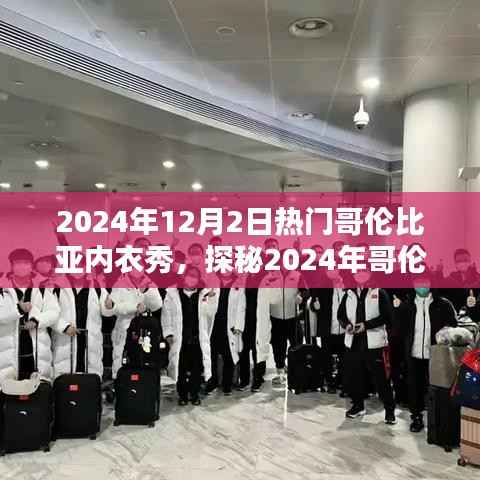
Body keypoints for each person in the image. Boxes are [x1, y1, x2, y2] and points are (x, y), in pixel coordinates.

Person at [397, 273, 457, 432]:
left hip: (436, 355)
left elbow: (453, 326)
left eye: (425, 281)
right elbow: (400, 330)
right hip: (414, 353)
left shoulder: (442, 304)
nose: (422, 285)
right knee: (414, 387)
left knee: (436, 388)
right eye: (418, 281)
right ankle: (416, 417)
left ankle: (437, 419)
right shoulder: (407, 305)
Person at [338, 270, 397, 425]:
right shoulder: (348, 293)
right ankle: (358, 406)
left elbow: (387, 316)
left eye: (363, 271)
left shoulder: (379, 292)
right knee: (355, 376)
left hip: (374, 343)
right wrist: (347, 325)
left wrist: (366, 325)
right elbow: (341, 315)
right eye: (357, 272)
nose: (360, 275)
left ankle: (390, 410)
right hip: (354, 342)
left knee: (381, 379)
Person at [161, 266, 216, 406]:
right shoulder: (173, 294)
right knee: (181, 368)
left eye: (194, 276)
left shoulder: (203, 294)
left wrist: (211, 299)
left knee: (197, 369)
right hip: (180, 339)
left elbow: (210, 314)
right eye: (189, 275)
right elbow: (166, 315)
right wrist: (168, 333)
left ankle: (195, 394)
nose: (191, 279)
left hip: (197, 338)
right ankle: (183, 395)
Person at [101, 269, 163, 389]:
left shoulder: (148, 282)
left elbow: (157, 305)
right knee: (120, 359)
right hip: (124, 328)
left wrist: (146, 291)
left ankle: (143, 388)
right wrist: (134, 307)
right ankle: (119, 387)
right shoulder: (120, 283)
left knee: (143, 358)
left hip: (144, 329)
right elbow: (114, 307)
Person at [6, 248, 60, 380]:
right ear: (12, 266)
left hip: (36, 346)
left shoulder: (41, 289)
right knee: (9, 385)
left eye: (26, 263)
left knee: (37, 386)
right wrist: (18, 310)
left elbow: (54, 311)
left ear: (31, 266)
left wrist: (36, 321)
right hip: (8, 347)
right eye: (18, 263)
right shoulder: (3, 289)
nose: (22, 266)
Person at [256, 268, 307, 386]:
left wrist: (301, 296)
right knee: (278, 347)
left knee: (297, 345)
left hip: (292, 317)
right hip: (276, 318)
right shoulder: (271, 276)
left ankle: (295, 373)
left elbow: (305, 291)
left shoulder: (297, 275)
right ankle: (280, 373)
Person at [51, 272, 106, 378]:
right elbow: (51, 313)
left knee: (90, 381)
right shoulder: (57, 286)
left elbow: (106, 310)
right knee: (65, 381)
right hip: (66, 340)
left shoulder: (96, 286)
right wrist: (64, 327)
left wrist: (109, 306)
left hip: (90, 341)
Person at [205, 271, 245, 396]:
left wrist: (239, 325)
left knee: (229, 355)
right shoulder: (212, 281)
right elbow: (204, 300)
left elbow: (241, 307)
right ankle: (213, 382)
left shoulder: (238, 284)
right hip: (214, 324)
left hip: (230, 326)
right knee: (212, 354)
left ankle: (227, 384)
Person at [309, 269, 346, 395]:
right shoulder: (322, 286)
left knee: (344, 357)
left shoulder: (345, 285)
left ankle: (342, 381)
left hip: (344, 329)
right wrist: (315, 306)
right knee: (326, 357)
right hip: (328, 329)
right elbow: (313, 304)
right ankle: (330, 382)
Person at [442, 248, 480, 322]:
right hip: (456, 318)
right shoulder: (450, 280)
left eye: (465, 260)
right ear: (455, 263)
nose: (462, 263)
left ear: (470, 261)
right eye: (459, 261)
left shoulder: (478, 279)